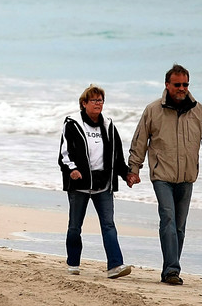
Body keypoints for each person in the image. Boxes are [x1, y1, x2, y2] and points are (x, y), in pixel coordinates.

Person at [127, 64, 202, 286]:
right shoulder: (153, 110)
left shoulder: (198, 110)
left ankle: (169, 270)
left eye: (185, 84)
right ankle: (172, 270)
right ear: (167, 85)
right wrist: (133, 170)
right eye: (177, 84)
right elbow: (139, 141)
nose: (182, 88)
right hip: (162, 175)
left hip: (187, 177)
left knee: (179, 226)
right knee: (168, 219)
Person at [58, 84, 133, 279]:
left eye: (101, 100)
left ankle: (115, 266)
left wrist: (126, 175)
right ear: (84, 103)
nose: (99, 104)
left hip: (103, 184)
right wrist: (72, 170)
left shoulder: (108, 125)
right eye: (94, 100)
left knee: (108, 225)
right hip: (80, 184)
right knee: (75, 226)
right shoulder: (72, 124)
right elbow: (64, 153)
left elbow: (117, 155)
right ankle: (73, 263)